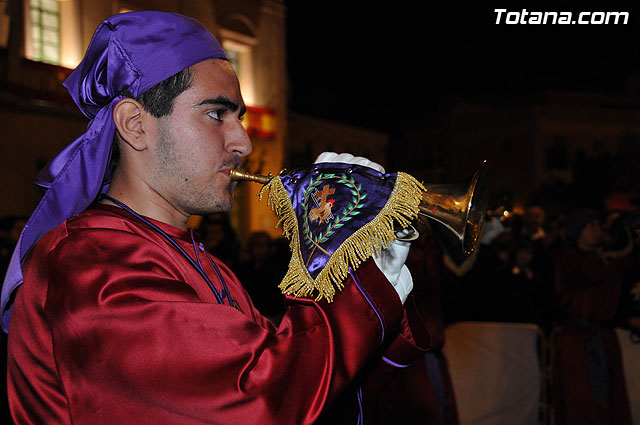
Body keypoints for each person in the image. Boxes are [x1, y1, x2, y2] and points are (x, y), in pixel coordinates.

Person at [1, 11, 428, 425]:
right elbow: (258, 401)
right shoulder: (87, 265)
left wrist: (371, 274)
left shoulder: (201, 261)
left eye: (238, 117)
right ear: (135, 124)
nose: (242, 141)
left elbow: (311, 393)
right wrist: (346, 278)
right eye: (216, 114)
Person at [552, 208, 633, 425]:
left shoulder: (604, 258)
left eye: (599, 225)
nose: (598, 231)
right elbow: (592, 273)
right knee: (582, 400)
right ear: (578, 231)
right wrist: (611, 252)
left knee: (608, 396)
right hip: (578, 340)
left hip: (602, 337)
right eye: (592, 226)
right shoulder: (568, 257)